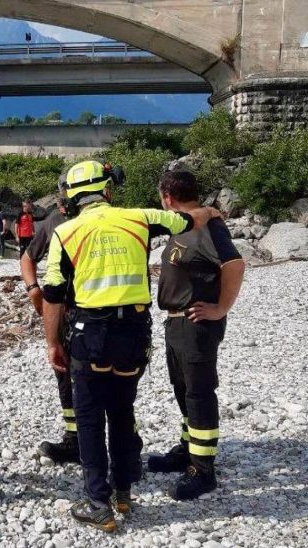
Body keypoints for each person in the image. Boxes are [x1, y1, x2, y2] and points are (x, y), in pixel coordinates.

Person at [42, 160, 222, 532]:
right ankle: (123, 490)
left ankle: (98, 502)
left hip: (89, 333)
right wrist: (209, 210)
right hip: (133, 332)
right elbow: (188, 219)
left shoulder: (66, 232)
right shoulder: (139, 217)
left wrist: (51, 343)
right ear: (108, 189)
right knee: (122, 410)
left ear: (74, 197)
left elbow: (53, 296)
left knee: (90, 417)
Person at [149, 170, 244, 500]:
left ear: (168, 197)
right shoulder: (184, 224)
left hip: (197, 324)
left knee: (199, 393)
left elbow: (234, 263)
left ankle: (203, 470)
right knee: (182, 388)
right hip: (176, 321)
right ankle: (188, 449)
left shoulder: (207, 226)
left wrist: (220, 308)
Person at [20, 178, 80, 463]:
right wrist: (34, 290)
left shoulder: (107, 218)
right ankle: (74, 438)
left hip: (100, 311)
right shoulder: (54, 222)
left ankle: (125, 443)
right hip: (66, 310)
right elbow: (27, 258)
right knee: (65, 374)